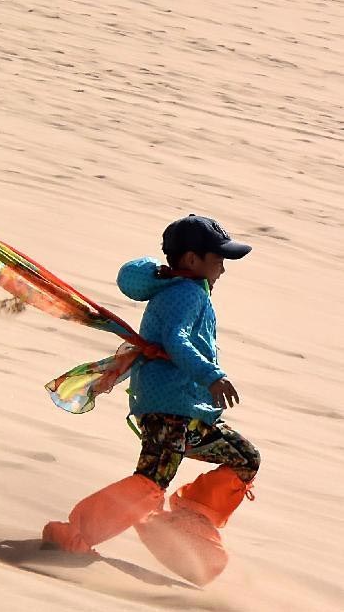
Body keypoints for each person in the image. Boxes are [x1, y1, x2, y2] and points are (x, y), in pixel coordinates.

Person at [41, 215, 260, 585]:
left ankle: (188, 519)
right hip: (170, 408)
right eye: (218, 259)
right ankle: (76, 534)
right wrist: (212, 376)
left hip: (189, 411)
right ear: (192, 260)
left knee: (244, 459)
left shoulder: (186, 290)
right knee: (151, 480)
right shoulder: (186, 293)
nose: (223, 268)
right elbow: (177, 339)